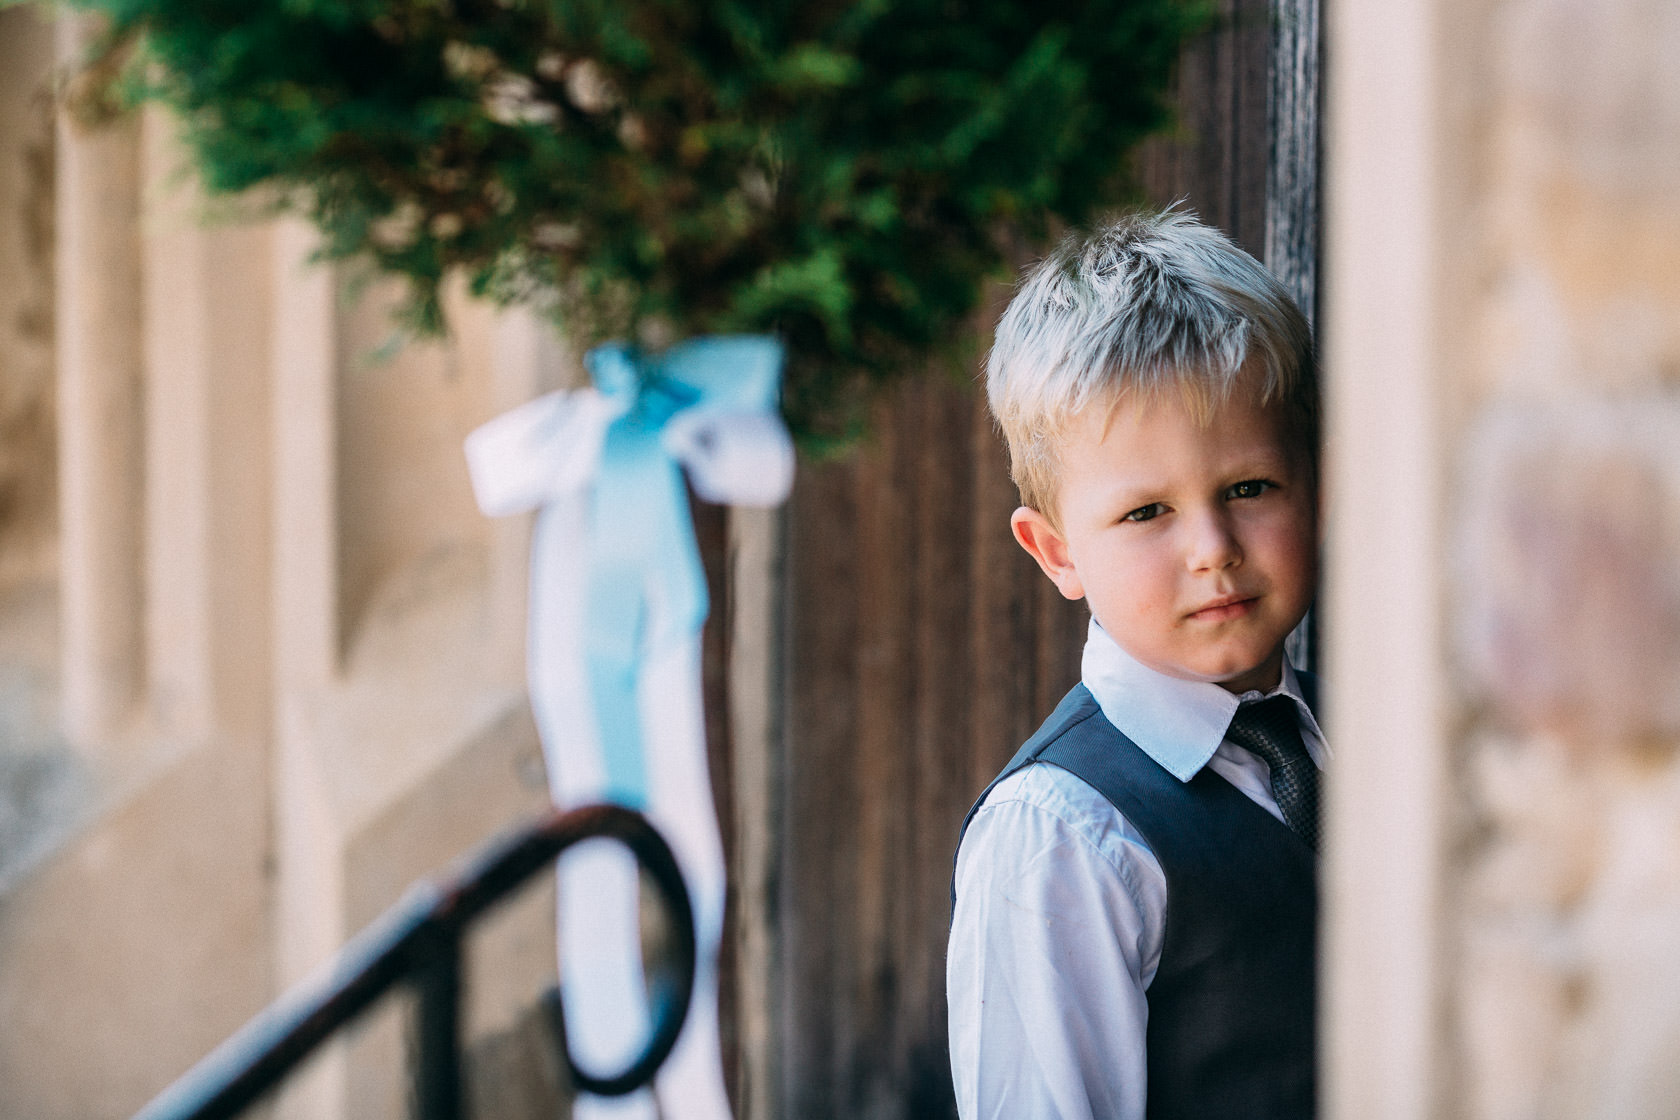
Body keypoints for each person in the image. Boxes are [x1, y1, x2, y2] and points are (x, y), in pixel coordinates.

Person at [947, 208, 1325, 1120]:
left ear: (1318, 487)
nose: (1212, 547)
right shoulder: (1065, 835)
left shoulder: (1366, 738)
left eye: (1248, 488)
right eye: (1146, 512)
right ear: (1056, 553)